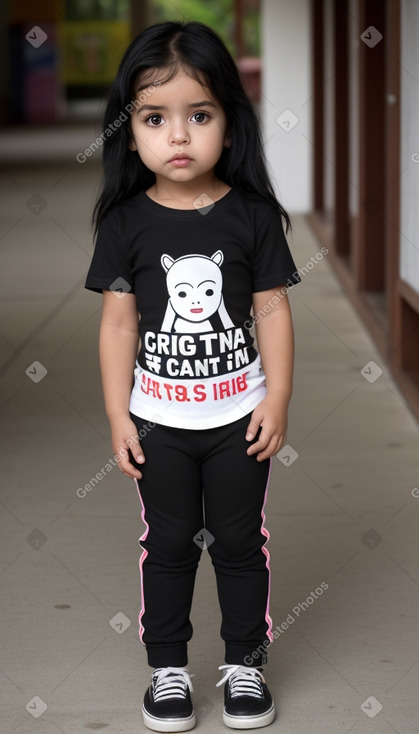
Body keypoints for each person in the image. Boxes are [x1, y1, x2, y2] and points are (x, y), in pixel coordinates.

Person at [85, 20, 301, 732]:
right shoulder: (125, 224)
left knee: (241, 543)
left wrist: (278, 397)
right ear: (130, 131)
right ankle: (168, 671)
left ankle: (244, 664)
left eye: (198, 115)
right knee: (169, 543)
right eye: (155, 118)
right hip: (159, 425)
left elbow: (270, 311)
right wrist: (119, 416)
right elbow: (119, 325)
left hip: (238, 419)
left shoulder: (252, 217)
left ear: (230, 128)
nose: (177, 136)